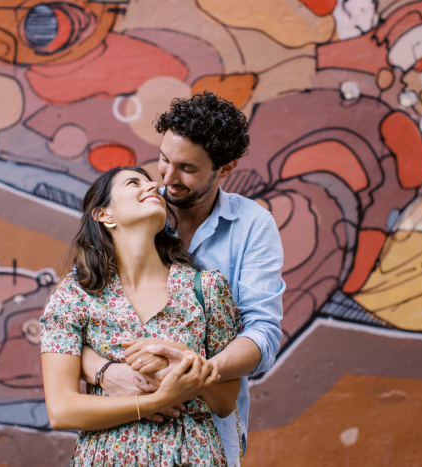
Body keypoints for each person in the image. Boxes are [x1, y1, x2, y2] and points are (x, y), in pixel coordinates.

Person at [80, 92, 285, 466]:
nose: (167, 179)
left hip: (208, 433)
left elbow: (263, 332)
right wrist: (105, 370)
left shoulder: (254, 227)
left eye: (187, 169)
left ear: (226, 167)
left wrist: (192, 369)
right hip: (121, 434)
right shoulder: (135, 212)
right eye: (163, 159)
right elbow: (73, 320)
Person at [40, 166, 244, 466]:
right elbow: (61, 410)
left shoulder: (206, 288)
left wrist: (186, 359)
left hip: (193, 456)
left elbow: (225, 402)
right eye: (134, 182)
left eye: (152, 182)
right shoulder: (74, 296)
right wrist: (155, 402)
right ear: (104, 214)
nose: (153, 187)